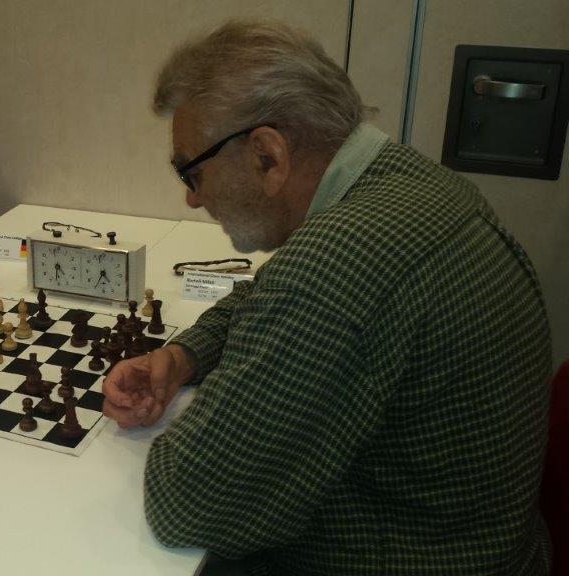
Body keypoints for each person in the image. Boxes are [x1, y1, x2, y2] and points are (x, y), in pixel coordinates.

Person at [104, 20, 552, 574]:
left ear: (268, 155)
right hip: (483, 541)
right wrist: (184, 355)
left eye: (191, 172)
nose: (192, 200)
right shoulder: (408, 181)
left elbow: (189, 504)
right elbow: (268, 292)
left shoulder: (336, 263)